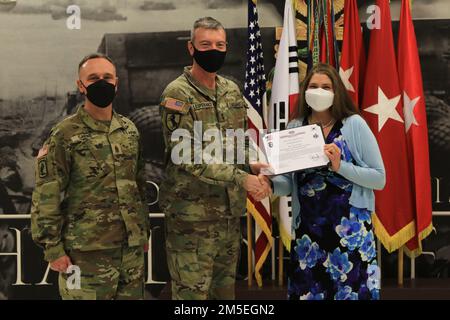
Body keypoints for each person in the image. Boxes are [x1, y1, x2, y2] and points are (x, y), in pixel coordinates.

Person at [159, 17, 270, 300]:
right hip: (191, 221)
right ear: (191, 48)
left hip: (228, 216)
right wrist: (242, 177)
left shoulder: (231, 91)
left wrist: (253, 163)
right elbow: (186, 156)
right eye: (206, 44)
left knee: (225, 295)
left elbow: (238, 142)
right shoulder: (177, 95)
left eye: (219, 45)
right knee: (192, 299)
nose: (214, 50)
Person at [31, 53, 149, 300]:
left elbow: (138, 184)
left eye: (107, 77)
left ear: (116, 83)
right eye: (93, 78)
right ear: (80, 85)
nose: (101, 83)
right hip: (85, 254)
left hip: (130, 251)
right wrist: (53, 248)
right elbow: (46, 194)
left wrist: (142, 232)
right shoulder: (64, 135)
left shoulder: (129, 130)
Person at [268, 63, 385, 300]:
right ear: (304, 91)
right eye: (313, 86)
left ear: (336, 92)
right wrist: (269, 183)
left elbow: (379, 178)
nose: (318, 91)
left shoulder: (354, 124)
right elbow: (289, 183)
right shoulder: (295, 127)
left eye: (326, 87)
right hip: (308, 235)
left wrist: (341, 166)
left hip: (350, 233)